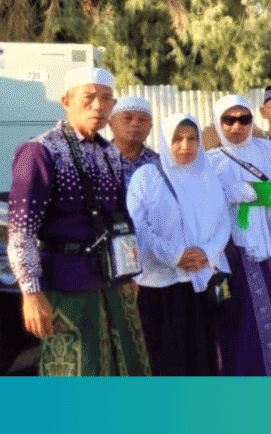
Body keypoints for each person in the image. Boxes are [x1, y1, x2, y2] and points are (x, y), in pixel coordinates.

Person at [7, 67, 151, 375]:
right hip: (67, 286)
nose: (98, 106)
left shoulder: (110, 153)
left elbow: (119, 218)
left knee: (126, 370)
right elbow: (21, 233)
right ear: (66, 101)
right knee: (78, 373)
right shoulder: (39, 152)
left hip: (115, 283)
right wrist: (31, 293)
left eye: (106, 99)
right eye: (88, 97)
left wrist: (129, 273)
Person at [127, 113, 231, 376]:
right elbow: (138, 227)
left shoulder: (208, 176)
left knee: (201, 357)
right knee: (165, 360)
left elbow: (223, 223)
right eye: (177, 139)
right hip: (159, 285)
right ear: (165, 140)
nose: (185, 146)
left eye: (192, 138)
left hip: (199, 282)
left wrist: (206, 254)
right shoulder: (146, 177)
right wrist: (175, 256)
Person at [207, 95, 271, 376]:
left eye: (244, 119)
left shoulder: (268, 150)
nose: (236, 126)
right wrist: (230, 193)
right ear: (218, 123)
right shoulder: (211, 161)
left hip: (267, 250)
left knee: (268, 322)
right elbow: (199, 203)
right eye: (228, 120)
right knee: (237, 326)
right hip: (233, 253)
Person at [107, 95, 158, 180]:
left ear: (150, 127)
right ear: (111, 124)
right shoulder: (94, 161)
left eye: (142, 119)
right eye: (127, 118)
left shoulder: (160, 164)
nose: (135, 124)